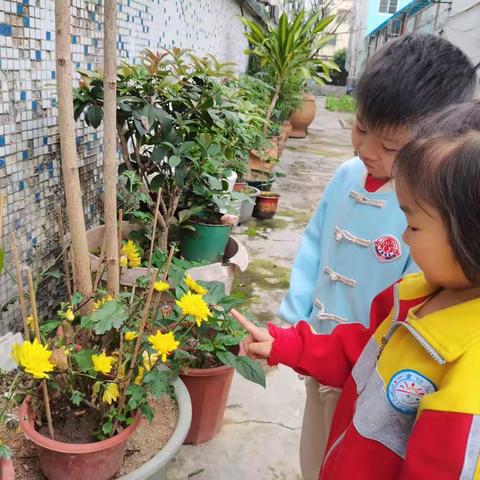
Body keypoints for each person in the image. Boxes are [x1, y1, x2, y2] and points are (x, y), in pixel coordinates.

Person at [232, 103, 480, 479]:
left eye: (412, 224)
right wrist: (289, 344)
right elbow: (363, 351)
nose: (402, 236)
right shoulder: (415, 297)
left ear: (469, 234)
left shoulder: (468, 376)